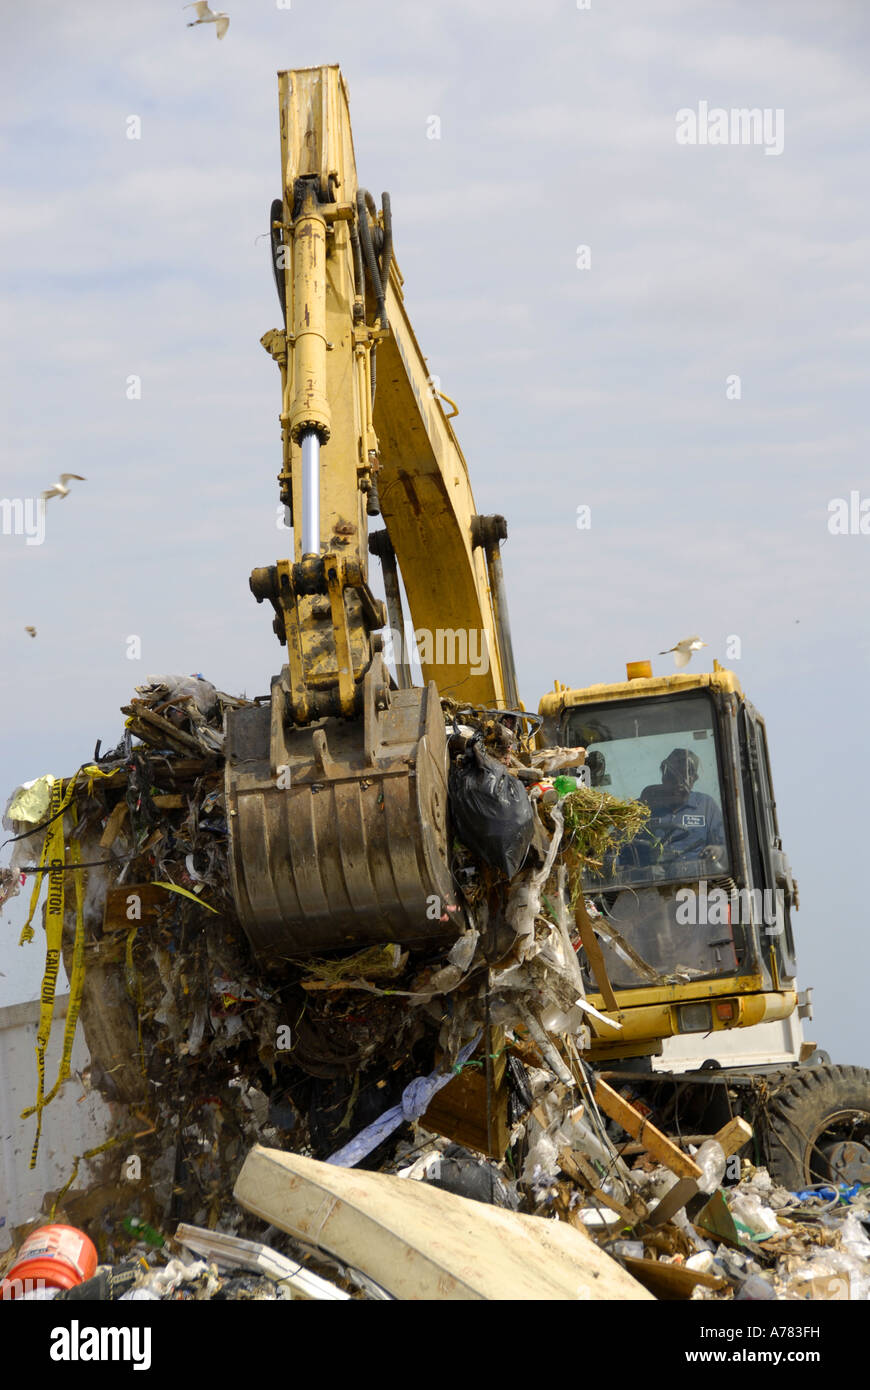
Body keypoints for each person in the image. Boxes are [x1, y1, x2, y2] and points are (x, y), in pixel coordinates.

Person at [639, 747, 725, 863]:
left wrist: (718, 851)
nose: (678, 783)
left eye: (684, 777)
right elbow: (620, 849)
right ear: (664, 777)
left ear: (694, 779)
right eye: (672, 776)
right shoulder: (642, 807)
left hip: (700, 877)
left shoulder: (706, 806)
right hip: (653, 879)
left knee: (706, 882)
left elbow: (726, 846)